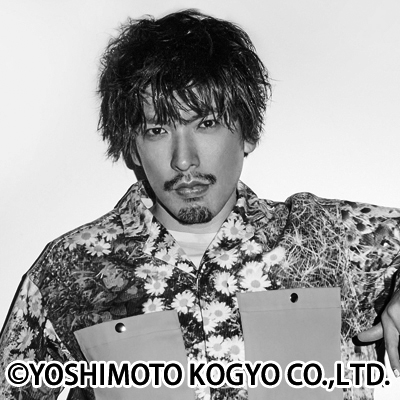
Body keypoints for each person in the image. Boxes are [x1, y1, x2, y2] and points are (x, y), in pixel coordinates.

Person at [0, 9, 399, 400]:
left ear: (247, 133)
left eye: (205, 124)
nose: (183, 160)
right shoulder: (70, 269)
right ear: (133, 148)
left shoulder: (327, 236)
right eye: (157, 130)